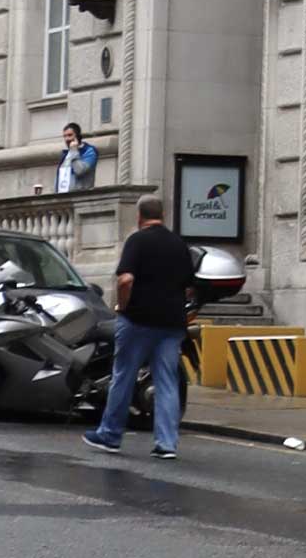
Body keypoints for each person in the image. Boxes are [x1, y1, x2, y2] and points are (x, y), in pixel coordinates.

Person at [83, 195, 194, 460]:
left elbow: (125, 280)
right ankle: (166, 444)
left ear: (139, 216)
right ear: (163, 215)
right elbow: (189, 288)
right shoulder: (178, 244)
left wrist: (122, 306)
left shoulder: (137, 240)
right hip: (172, 323)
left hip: (138, 321)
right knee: (167, 381)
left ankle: (110, 435)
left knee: (124, 375)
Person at [55, 124, 99, 194]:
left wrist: (74, 151)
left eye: (70, 135)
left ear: (77, 136)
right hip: (63, 196)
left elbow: (79, 170)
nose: (67, 139)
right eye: (65, 136)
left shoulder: (89, 151)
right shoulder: (65, 154)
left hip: (80, 196)